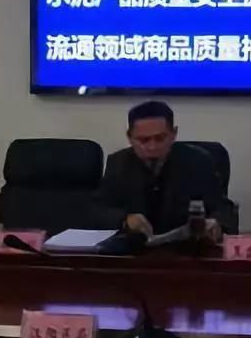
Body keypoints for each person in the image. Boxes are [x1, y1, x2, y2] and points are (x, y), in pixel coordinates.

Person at [94, 101, 231, 240]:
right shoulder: (118, 163)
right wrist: (125, 219)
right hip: (134, 248)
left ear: (174, 134)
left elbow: (223, 208)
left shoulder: (199, 161)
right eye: (143, 140)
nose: (152, 147)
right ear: (130, 137)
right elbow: (97, 211)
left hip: (186, 247)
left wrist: (217, 223)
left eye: (160, 138)